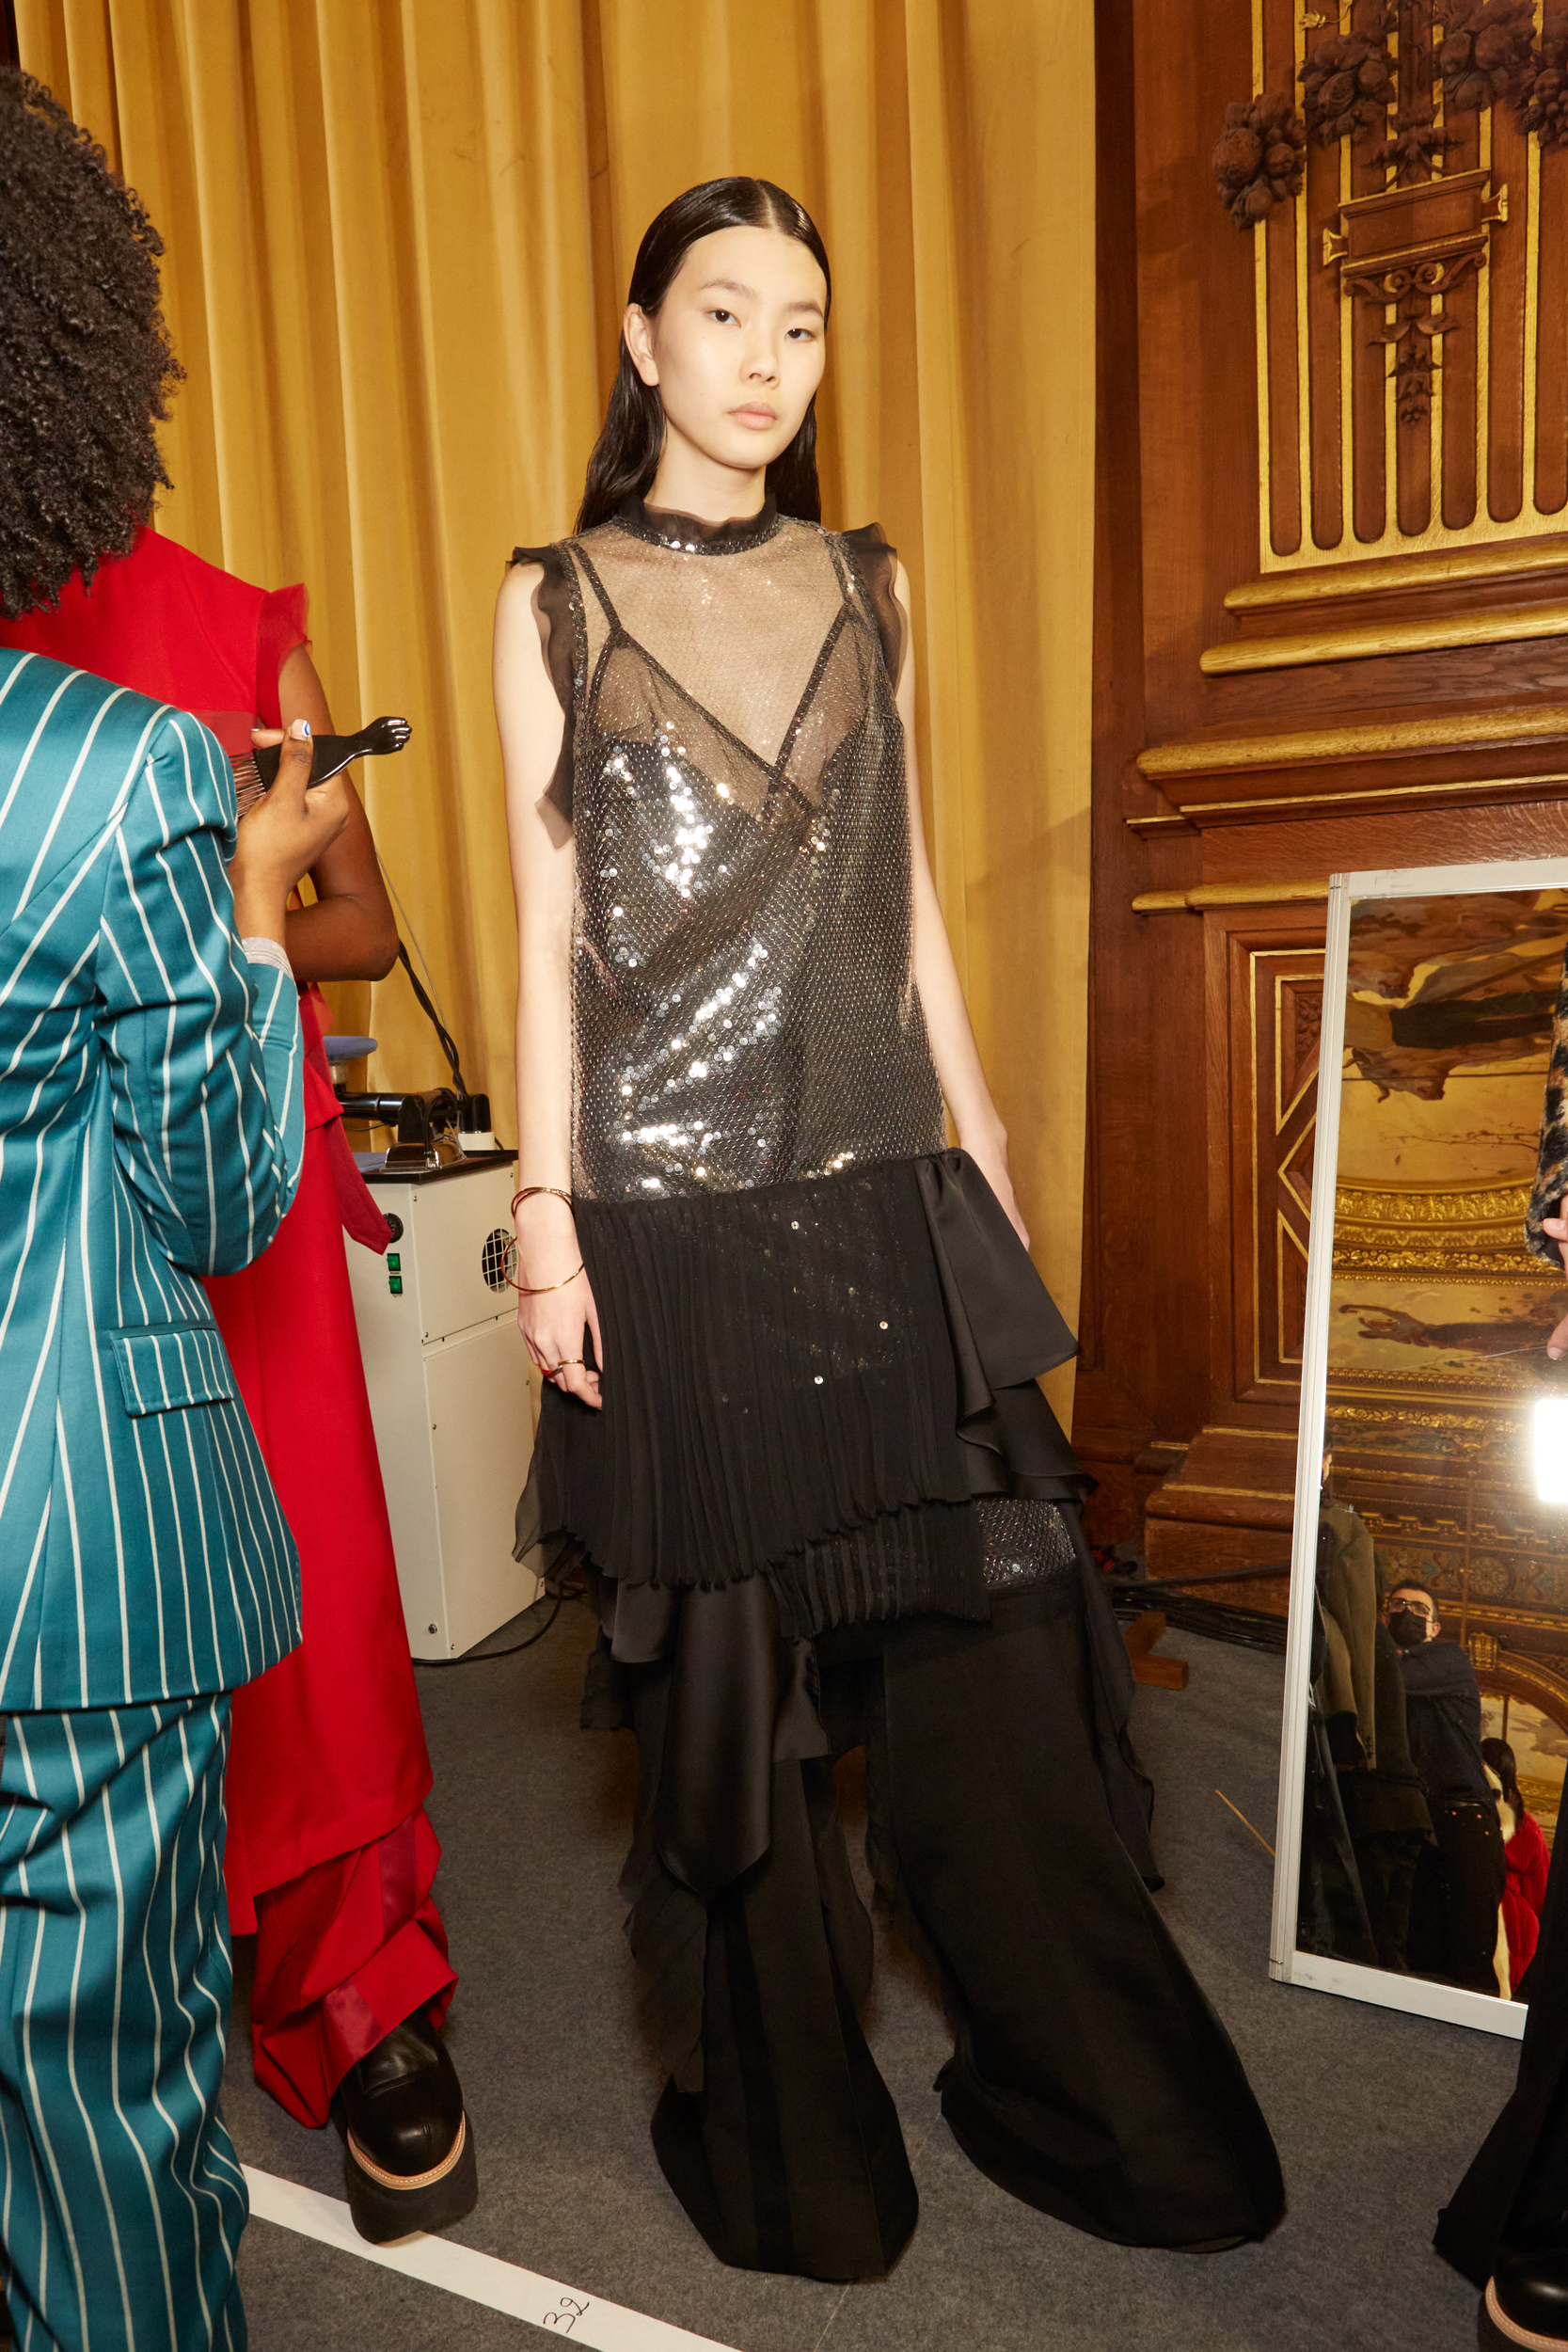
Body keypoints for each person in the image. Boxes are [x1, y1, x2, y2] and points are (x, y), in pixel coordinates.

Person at [496, 174, 1284, 2281]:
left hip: (875, 1194)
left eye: (802, 323)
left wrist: (984, 1123)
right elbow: (549, 926)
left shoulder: (870, 582)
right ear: (642, 338)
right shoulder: (553, 597)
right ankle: (798, 2162)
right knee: (735, 1716)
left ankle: (1097, 2097)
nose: (765, 358)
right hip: (667, 1228)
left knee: (1003, 1662)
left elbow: (907, 879)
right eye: (723, 312)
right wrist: (544, 1214)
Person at [0, 89, 475, 2247]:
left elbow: (362, 924)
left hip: (236, 1202)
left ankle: (366, 1989)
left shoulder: (222, 626)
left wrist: (236, 909)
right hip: (61, 1241)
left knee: (311, 1611)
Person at [1386, 1578, 1507, 1995]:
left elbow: (1393, 1679)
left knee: (1468, 1960)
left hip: (1464, 1819)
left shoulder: (1448, 1658)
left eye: (1420, 1609)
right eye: (1398, 1605)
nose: (1407, 1613)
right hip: (1421, 1823)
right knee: (1421, 1957)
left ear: (1435, 1627)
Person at [1484, 1737, 1551, 1992]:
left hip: (1488, 1911)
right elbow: (1541, 1896)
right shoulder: (1529, 1826)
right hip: (1523, 1925)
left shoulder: (1478, 1813)